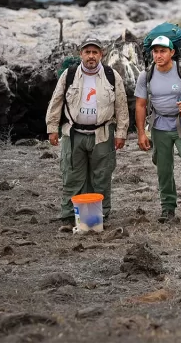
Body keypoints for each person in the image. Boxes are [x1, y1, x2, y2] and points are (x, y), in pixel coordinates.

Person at [45, 35, 130, 223]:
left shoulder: (111, 76)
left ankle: (99, 216)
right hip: (73, 134)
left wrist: (121, 133)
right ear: (81, 54)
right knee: (72, 175)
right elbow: (56, 102)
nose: (91, 56)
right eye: (87, 52)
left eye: (95, 52)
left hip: (102, 134)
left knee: (101, 176)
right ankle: (69, 215)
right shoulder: (69, 75)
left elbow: (122, 106)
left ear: (101, 54)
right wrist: (52, 128)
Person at [135, 35, 181, 222]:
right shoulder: (146, 75)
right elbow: (140, 105)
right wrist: (142, 133)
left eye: (163, 51)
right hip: (159, 126)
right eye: (156, 51)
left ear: (172, 52)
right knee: (164, 168)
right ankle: (168, 208)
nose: (159, 55)